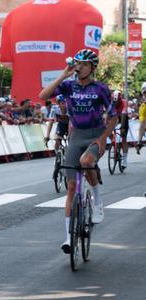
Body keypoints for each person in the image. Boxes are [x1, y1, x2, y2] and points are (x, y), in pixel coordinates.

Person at [39, 49, 116, 254]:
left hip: (95, 135)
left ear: (92, 68)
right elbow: (43, 96)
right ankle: (68, 238)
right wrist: (63, 74)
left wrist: (102, 139)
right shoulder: (67, 85)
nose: (79, 67)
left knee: (86, 161)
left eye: (84, 64)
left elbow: (114, 116)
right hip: (76, 136)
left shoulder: (100, 88)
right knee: (71, 187)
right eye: (78, 63)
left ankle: (97, 198)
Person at [111, 90, 130, 168]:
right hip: (115, 117)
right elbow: (108, 115)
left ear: (120, 99)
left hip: (123, 118)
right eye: (114, 102)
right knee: (107, 131)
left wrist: (122, 127)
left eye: (117, 101)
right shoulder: (111, 102)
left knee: (123, 138)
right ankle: (114, 145)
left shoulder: (124, 102)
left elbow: (123, 115)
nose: (116, 103)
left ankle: (124, 159)